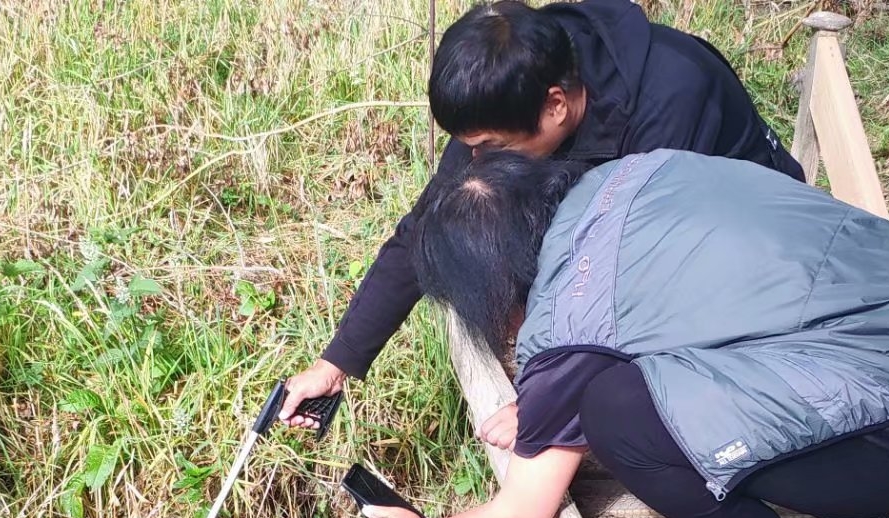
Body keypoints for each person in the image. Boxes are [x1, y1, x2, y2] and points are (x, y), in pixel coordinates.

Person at [360, 149, 889, 518]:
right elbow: (687, 311)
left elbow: (521, 515)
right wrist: (547, 403)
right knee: (638, 388)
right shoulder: (632, 176)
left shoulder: (567, 320)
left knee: (617, 415)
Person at [278, 0, 803, 429]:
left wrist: (545, 405)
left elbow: (643, 276)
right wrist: (338, 362)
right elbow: (426, 229)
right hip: (645, 232)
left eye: (488, 147)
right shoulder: (505, 97)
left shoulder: (672, 96)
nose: (475, 160)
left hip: (754, 250)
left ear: (556, 105)